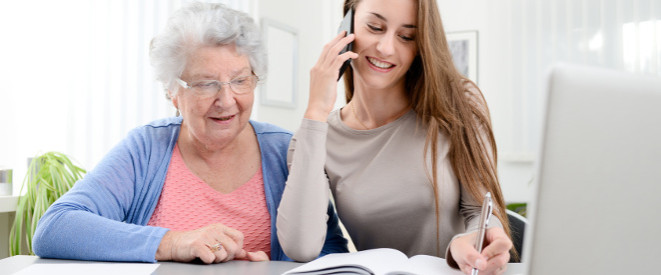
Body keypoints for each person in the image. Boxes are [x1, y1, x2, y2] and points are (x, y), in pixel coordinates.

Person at [32, 2, 347, 264]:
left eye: (240, 81)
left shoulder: (284, 150)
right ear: (172, 91)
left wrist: (278, 270)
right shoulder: (146, 148)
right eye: (205, 84)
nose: (226, 100)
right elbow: (55, 227)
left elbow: (333, 255)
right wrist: (172, 243)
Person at [276, 0, 513, 274]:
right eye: (375, 27)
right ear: (347, 25)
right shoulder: (318, 137)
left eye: (406, 36)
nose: (386, 48)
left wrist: (474, 243)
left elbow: (482, 212)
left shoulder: (459, 105)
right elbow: (300, 247)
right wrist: (316, 109)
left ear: (421, 45)